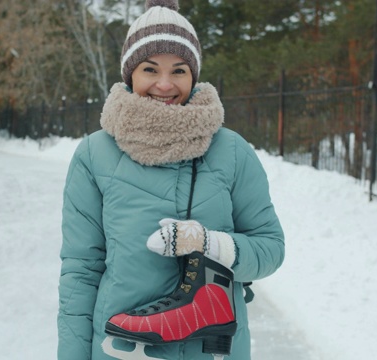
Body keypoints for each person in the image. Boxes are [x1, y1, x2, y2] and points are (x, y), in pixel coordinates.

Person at [57, 0, 285, 359]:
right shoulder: (94, 154)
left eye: (178, 70)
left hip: (212, 351)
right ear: (130, 74)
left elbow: (271, 248)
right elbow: (81, 270)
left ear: (193, 75)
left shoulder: (232, 150)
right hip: (118, 349)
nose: (165, 84)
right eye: (150, 69)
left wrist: (212, 244)